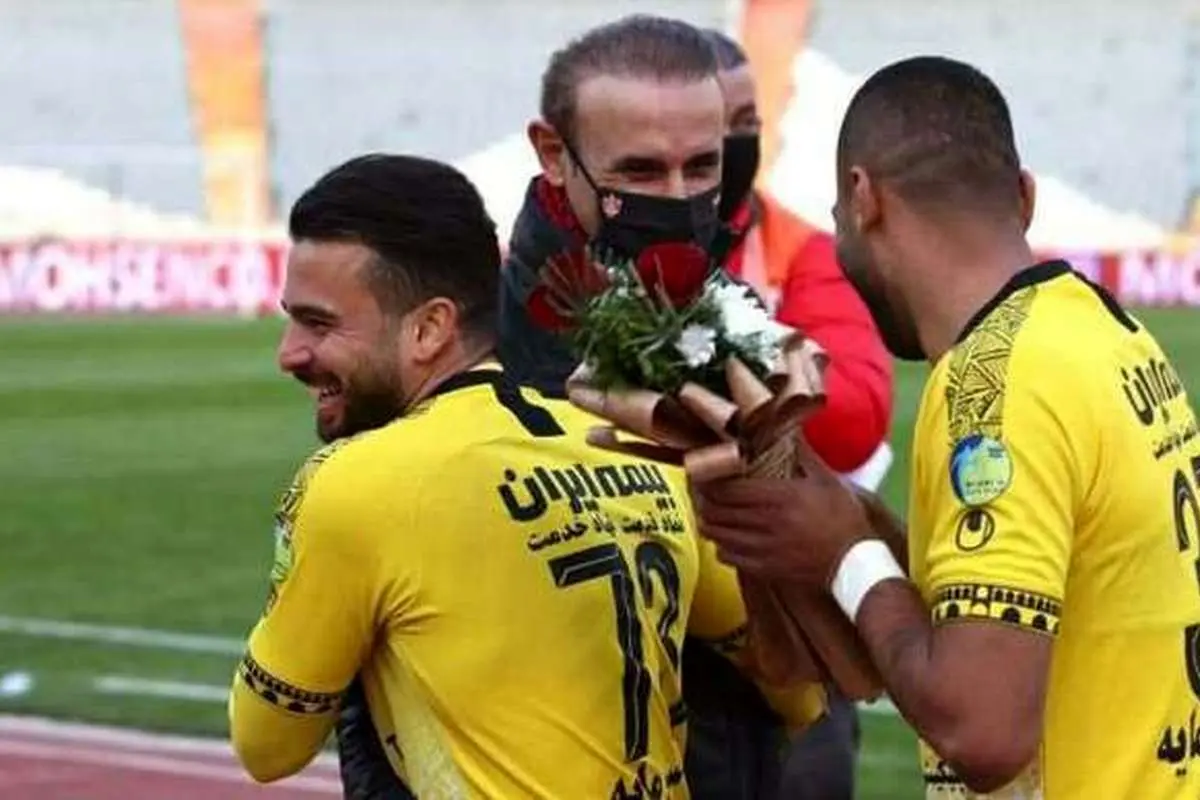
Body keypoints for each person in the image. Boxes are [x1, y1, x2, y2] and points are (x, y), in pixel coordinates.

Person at [227, 153, 825, 798]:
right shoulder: (637, 448)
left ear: (429, 328)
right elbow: (797, 691)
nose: (289, 352)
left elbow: (267, 745)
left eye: (318, 322)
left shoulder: (356, 484)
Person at [691, 55, 1200, 798]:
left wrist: (845, 553)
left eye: (837, 215)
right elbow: (1050, 601)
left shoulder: (994, 381)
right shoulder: (1106, 331)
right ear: (1024, 197)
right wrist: (859, 525)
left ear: (862, 198)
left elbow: (981, 730)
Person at [493, 15, 827, 798]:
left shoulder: (734, 308)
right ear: (553, 153)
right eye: (641, 171)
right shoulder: (476, 332)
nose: (679, 198)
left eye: (702, 165)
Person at [704, 27, 894, 800]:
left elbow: (852, 417)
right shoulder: (575, 259)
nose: (731, 146)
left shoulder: (801, 250)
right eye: (714, 126)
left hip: (793, 629)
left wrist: (700, 343)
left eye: (745, 123)